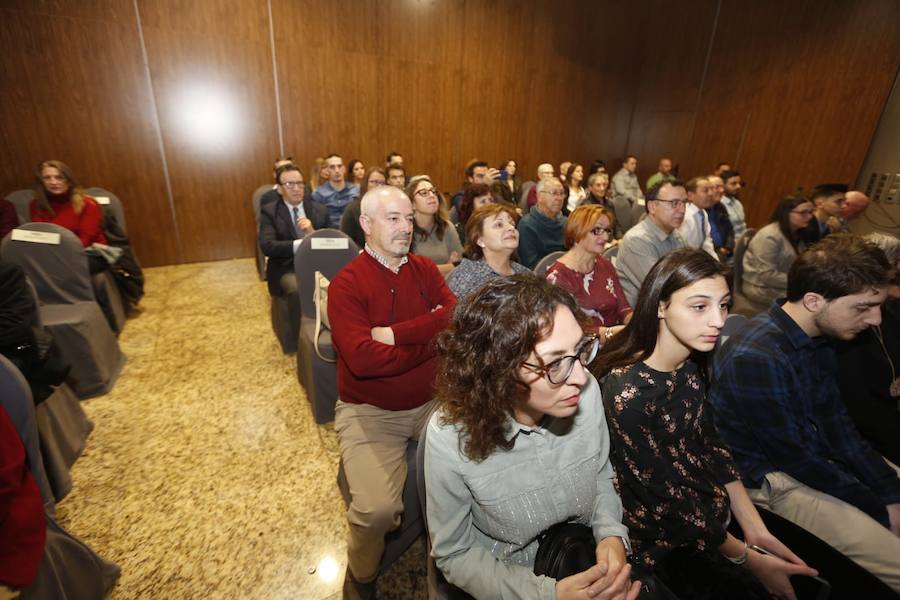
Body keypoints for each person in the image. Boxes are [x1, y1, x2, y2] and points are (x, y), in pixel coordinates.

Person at [594, 248, 816, 599]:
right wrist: (746, 557)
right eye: (700, 307)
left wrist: (753, 526)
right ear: (661, 306)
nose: (718, 320)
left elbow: (708, 440)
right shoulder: (628, 393)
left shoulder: (693, 360)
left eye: (724, 305)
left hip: (711, 511)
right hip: (668, 539)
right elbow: (667, 504)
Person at [426, 274, 640, 600]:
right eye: (555, 364)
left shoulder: (586, 393)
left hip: (581, 552)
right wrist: (547, 594)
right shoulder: (450, 439)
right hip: (512, 582)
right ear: (498, 372)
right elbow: (455, 554)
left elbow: (600, 473)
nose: (581, 377)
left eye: (581, 350)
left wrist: (611, 534)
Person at [710, 234, 900, 593]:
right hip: (772, 481)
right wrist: (879, 508)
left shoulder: (819, 337)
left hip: (810, 459)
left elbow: (839, 427)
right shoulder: (756, 356)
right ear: (813, 301)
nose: (876, 319)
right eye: (863, 307)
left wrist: (891, 494)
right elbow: (797, 459)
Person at [328, 185, 456, 599]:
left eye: (408, 218)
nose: (406, 227)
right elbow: (364, 361)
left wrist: (397, 336)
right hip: (371, 411)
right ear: (366, 224)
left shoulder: (423, 269)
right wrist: (430, 339)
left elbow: (454, 315)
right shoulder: (346, 285)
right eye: (393, 219)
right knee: (376, 511)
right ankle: (362, 575)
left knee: (482, 469)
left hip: (434, 399)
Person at [835, 232, 900, 466]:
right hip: (865, 429)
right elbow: (858, 409)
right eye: (895, 263)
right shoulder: (846, 329)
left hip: (882, 415)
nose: (874, 318)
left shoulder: (886, 316)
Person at [546, 205, 632, 341]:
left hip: (616, 341)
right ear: (577, 230)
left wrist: (636, 324)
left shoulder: (604, 264)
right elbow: (568, 330)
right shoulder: (557, 276)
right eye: (597, 230)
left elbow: (624, 309)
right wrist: (612, 333)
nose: (605, 237)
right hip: (584, 352)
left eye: (607, 230)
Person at [258, 164, 329, 299]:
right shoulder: (270, 212)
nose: (296, 189)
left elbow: (332, 243)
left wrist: (312, 233)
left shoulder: (320, 210)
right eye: (290, 184)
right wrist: (302, 244)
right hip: (287, 268)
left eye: (300, 184)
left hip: (318, 266)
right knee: (296, 288)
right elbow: (267, 246)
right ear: (279, 188)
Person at [615, 179, 687, 306]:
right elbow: (660, 287)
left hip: (670, 306)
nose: (682, 210)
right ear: (652, 207)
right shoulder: (637, 240)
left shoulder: (676, 235)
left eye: (684, 203)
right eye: (674, 203)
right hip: (642, 314)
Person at [741, 195, 814, 307]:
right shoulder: (769, 236)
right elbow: (767, 275)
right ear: (786, 213)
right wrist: (800, 282)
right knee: (805, 302)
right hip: (760, 287)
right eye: (803, 213)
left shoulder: (797, 233)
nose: (809, 217)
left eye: (810, 212)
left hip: (779, 284)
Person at [446, 203, 530, 300]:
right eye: (499, 225)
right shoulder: (466, 278)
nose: (511, 228)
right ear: (480, 240)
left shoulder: (525, 274)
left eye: (512, 223)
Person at [29, 160, 107, 248]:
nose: (53, 182)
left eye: (59, 177)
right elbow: (41, 237)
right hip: (52, 253)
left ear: (69, 181)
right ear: (41, 183)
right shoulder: (36, 204)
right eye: (47, 178)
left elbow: (85, 240)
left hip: (87, 252)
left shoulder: (88, 203)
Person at [408, 176, 463, 275]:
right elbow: (411, 272)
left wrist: (430, 270)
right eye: (424, 193)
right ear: (412, 204)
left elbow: (461, 265)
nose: (432, 195)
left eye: (433, 192)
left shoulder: (447, 226)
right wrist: (448, 267)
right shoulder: (406, 230)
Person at [517, 178, 566, 269]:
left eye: (562, 193)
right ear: (539, 197)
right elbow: (530, 264)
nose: (559, 198)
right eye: (554, 193)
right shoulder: (527, 225)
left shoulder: (566, 222)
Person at [341, 167, 387, 249]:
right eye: (374, 182)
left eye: (382, 183)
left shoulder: (390, 208)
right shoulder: (353, 209)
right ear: (366, 184)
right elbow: (346, 239)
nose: (379, 186)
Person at [312, 153, 360, 228]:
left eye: (339, 166)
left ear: (344, 169)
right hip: (329, 235)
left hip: (352, 233)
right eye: (332, 167)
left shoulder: (355, 191)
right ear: (327, 171)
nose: (337, 170)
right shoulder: (318, 194)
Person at [676, 176, 718, 259]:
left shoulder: (703, 213)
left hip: (697, 257)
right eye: (705, 190)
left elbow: (707, 242)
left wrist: (716, 262)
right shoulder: (685, 216)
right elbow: (681, 249)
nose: (710, 194)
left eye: (711, 190)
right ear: (690, 195)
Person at [720, 170, 747, 240]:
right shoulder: (718, 205)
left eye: (739, 183)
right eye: (733, 184)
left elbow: (742, 226)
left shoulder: (738, 203)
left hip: (742, 241)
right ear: (723, 185)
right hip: (728, 243)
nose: (738, 186)